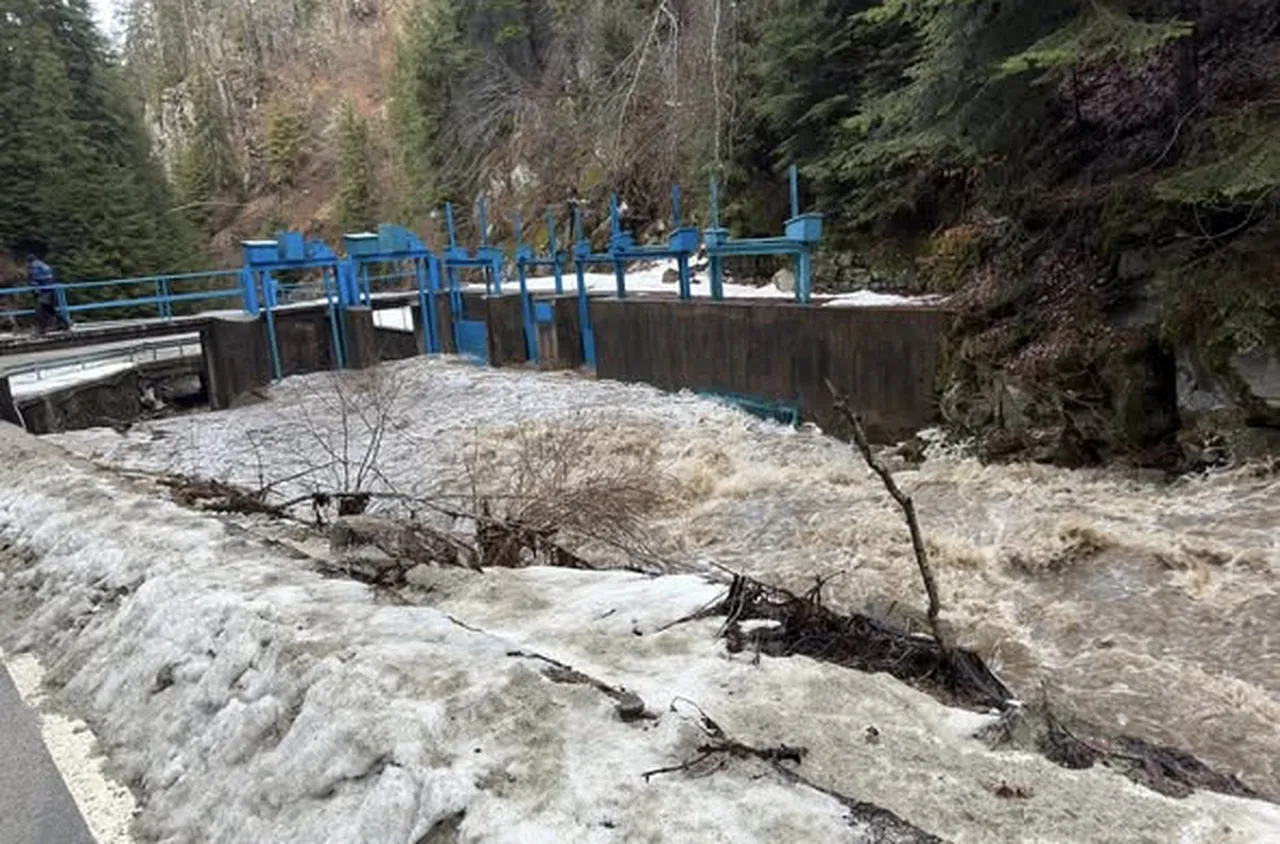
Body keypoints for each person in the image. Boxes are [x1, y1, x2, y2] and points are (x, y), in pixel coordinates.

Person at [26, 254, 69, 333]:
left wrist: (31, 284)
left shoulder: (35, 268)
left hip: (45, 291)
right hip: (52, 289)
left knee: (41, 310)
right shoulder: (44, 265)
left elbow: (35, 281)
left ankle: (41, 328)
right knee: (50, 310)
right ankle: (63, 324)